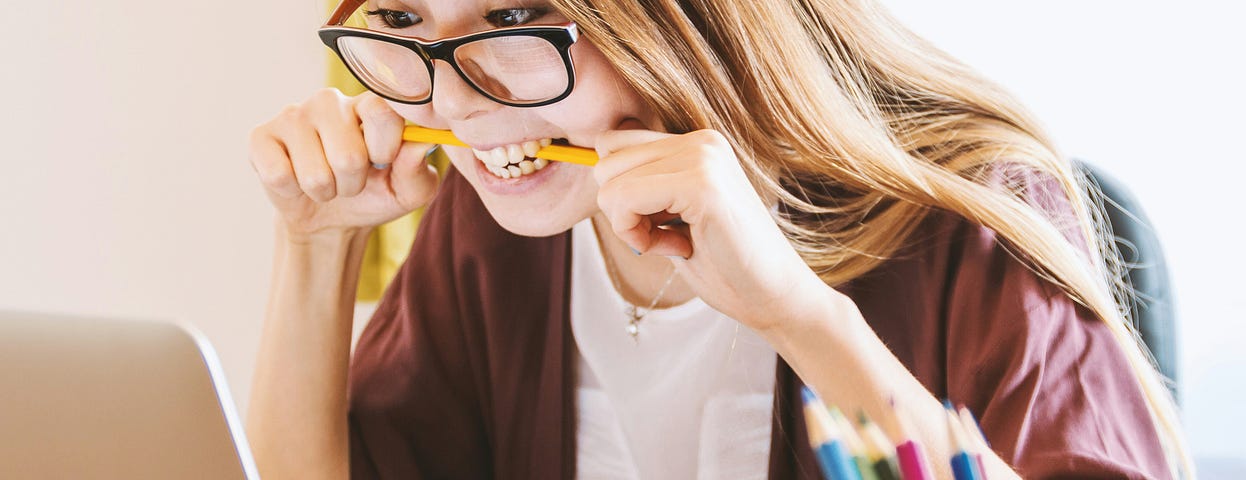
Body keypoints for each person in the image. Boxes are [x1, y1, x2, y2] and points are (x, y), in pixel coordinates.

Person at [244, 0, 1193, 478]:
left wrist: (792, 311)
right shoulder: (500, 220)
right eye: (405, 19)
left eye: (514, 18)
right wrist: (313, 246)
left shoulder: (967, 220)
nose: (453, 103)